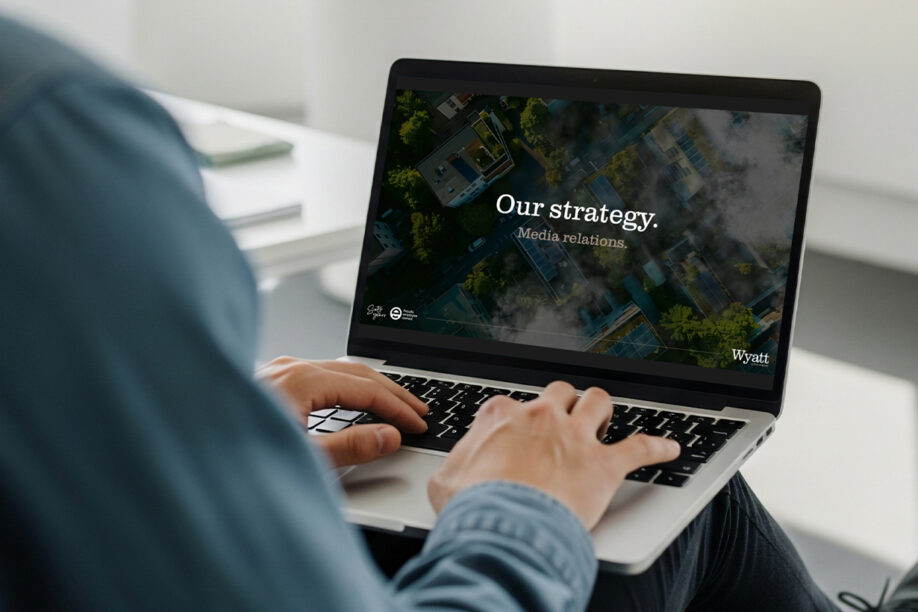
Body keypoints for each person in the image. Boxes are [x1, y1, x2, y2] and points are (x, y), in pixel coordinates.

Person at [0, 15, 914, 612]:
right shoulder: (45, 133)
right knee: (642, 491)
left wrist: (204, 424)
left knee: (663, 480)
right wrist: (520, 508)